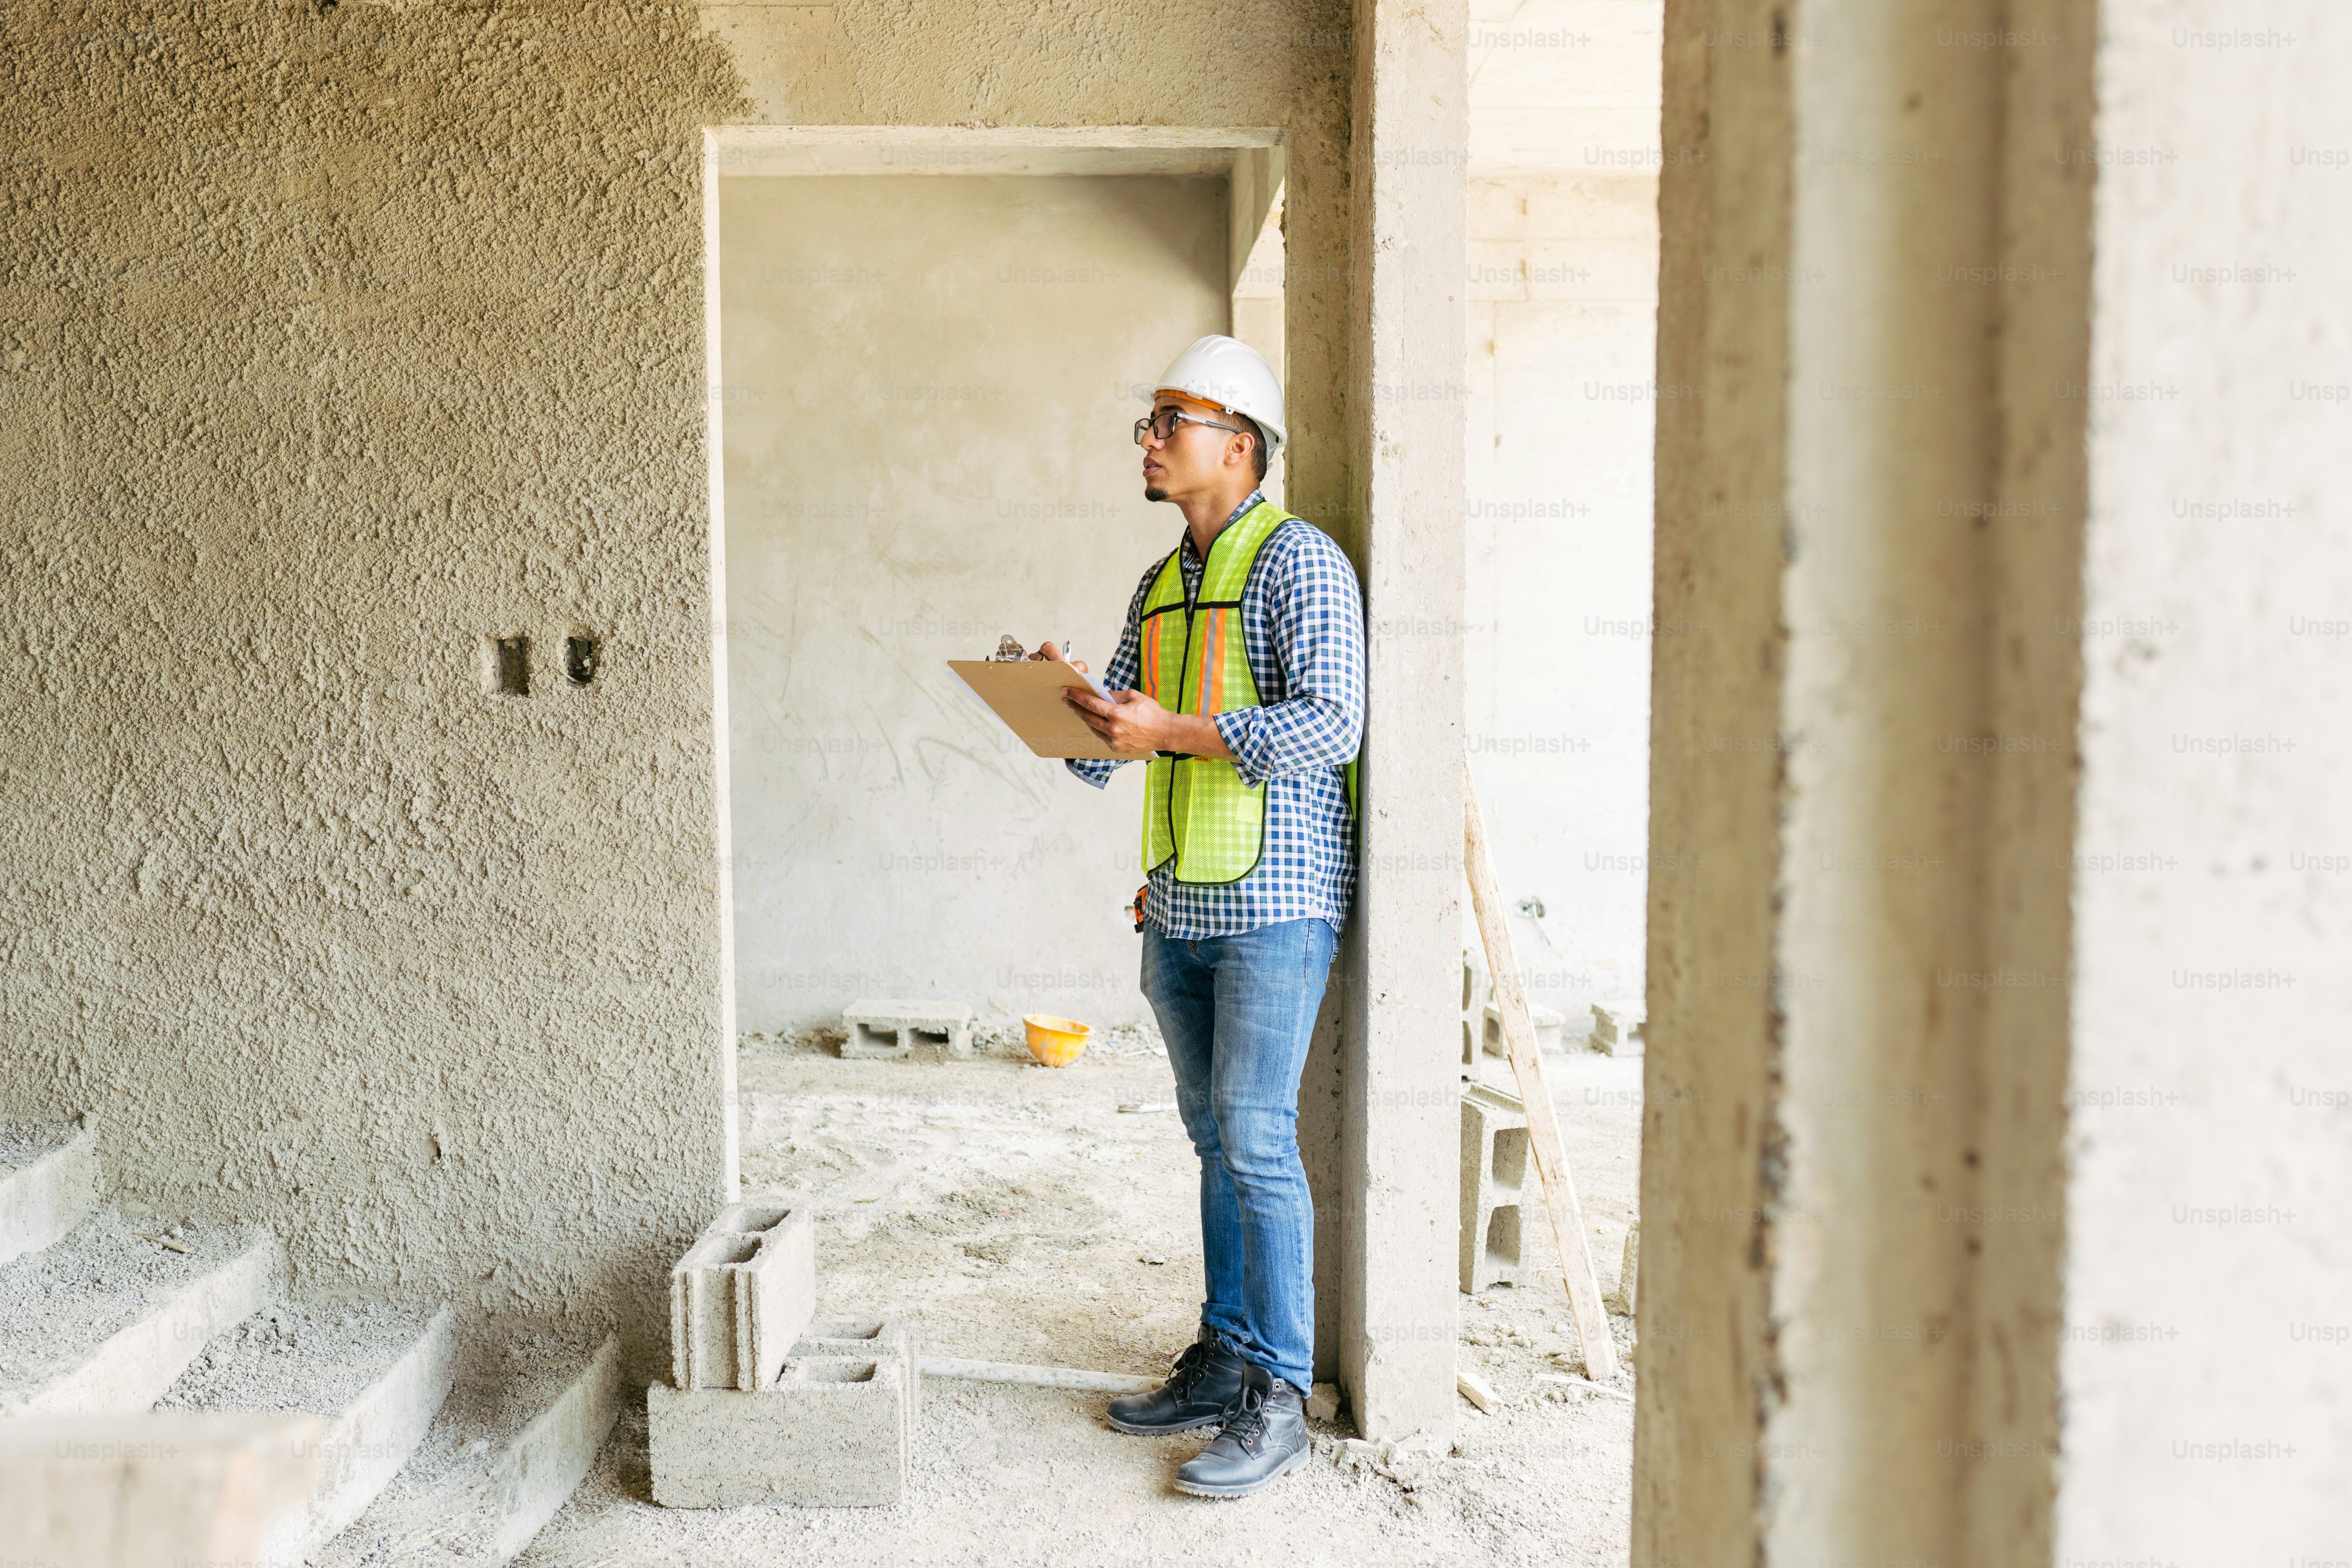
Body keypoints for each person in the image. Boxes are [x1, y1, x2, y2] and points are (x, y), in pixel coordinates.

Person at [1042, 334, 1364, 1498]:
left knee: (1258, 1139)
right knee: (1214, 1138)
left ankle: (1279, 1394)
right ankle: (1225, 1356)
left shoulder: (1302, 563)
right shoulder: (1161, 582)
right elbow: (1110, 750)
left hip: (1276, 905)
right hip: (1178, 900)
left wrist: (1169, 730)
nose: (1150, 439)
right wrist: (1065, 706)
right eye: (1151, 422)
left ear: (1240, 444)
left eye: (1169, 421)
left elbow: (1332, 720)